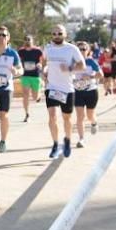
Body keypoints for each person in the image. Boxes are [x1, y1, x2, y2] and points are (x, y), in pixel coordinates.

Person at [42, 25, 85, 159]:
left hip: (67, 89)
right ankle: (55, 144)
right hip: (52, 87)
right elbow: (43, 61)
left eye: (59, 33)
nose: (56, 36)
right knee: (52, 116)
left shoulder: (72, 49)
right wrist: (44, 72)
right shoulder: (48, 48)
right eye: (54, 33)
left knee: (67, 118)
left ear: (65, 34)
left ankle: (67, 140)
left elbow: (82, 65)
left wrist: (69, 68)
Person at [73, 42, 103, 147]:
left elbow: (101, 75)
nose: (81, 51)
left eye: (84, 49)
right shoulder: (73, 62)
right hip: (78, 92)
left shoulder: (91, 61)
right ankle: (81, 139)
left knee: (90, 116)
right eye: (79, 49)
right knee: (80, 116)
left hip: (91, 91)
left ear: (88, 51)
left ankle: (94, 123)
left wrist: (89, 77)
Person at [17, 35, 44, 122]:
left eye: (29, 40)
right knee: (25, 94)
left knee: (35, 97)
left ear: (32, 41)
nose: (27, 41)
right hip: (25, 75)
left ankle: (38, 95)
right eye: (26, 40)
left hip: (35, 75)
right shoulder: (21, 51)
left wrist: (40, 65)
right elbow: (18, 61)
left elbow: (42, 61)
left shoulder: (37, 51)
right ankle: (26, 114)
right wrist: (19, 67)